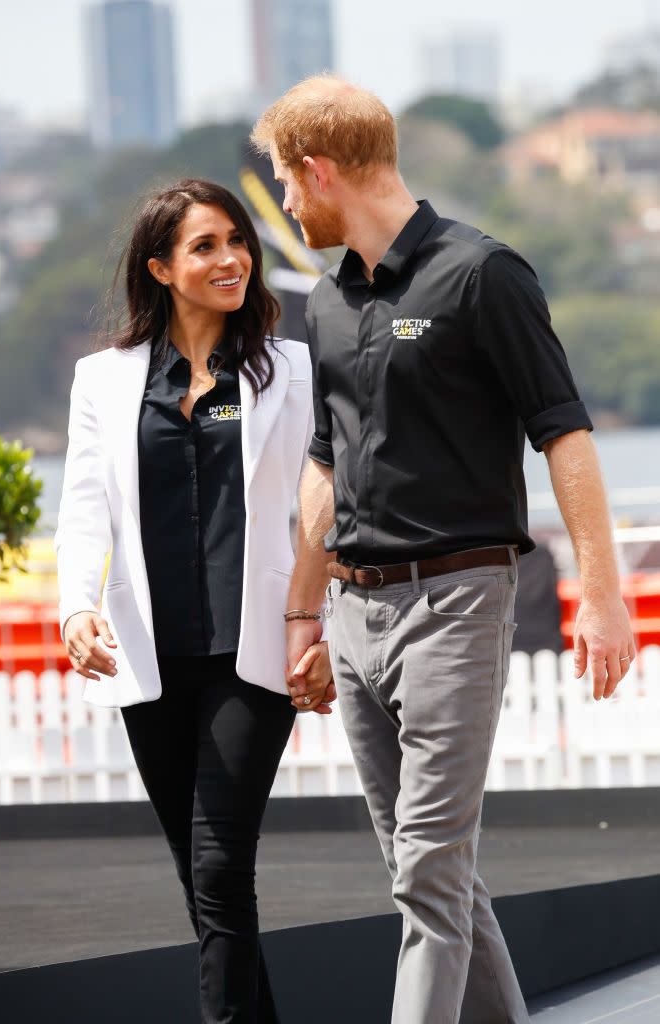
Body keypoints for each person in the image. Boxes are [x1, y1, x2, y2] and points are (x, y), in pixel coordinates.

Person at [251, 77, 636, 1024]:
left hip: (459, 601)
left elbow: (565, 434)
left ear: (318, 169)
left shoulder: (482, 273)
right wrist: (303, 614)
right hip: (352, 612)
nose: (287, 207)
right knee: (433, 875)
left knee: (426, 868)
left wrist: (602, 592)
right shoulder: (328, 303)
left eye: (285, 185)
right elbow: (322, 464)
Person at [55, 178, 334, 1024]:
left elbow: (320, 497)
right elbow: (82, 506)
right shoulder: (101, 380)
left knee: (218, 866)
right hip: (150, 655)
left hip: (253, 653)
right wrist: (75, 606)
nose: (231, 259)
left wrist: (314, 618)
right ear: (161, 268)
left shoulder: (290, 367)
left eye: (237, 241)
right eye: (205, 246)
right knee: (205, 881)